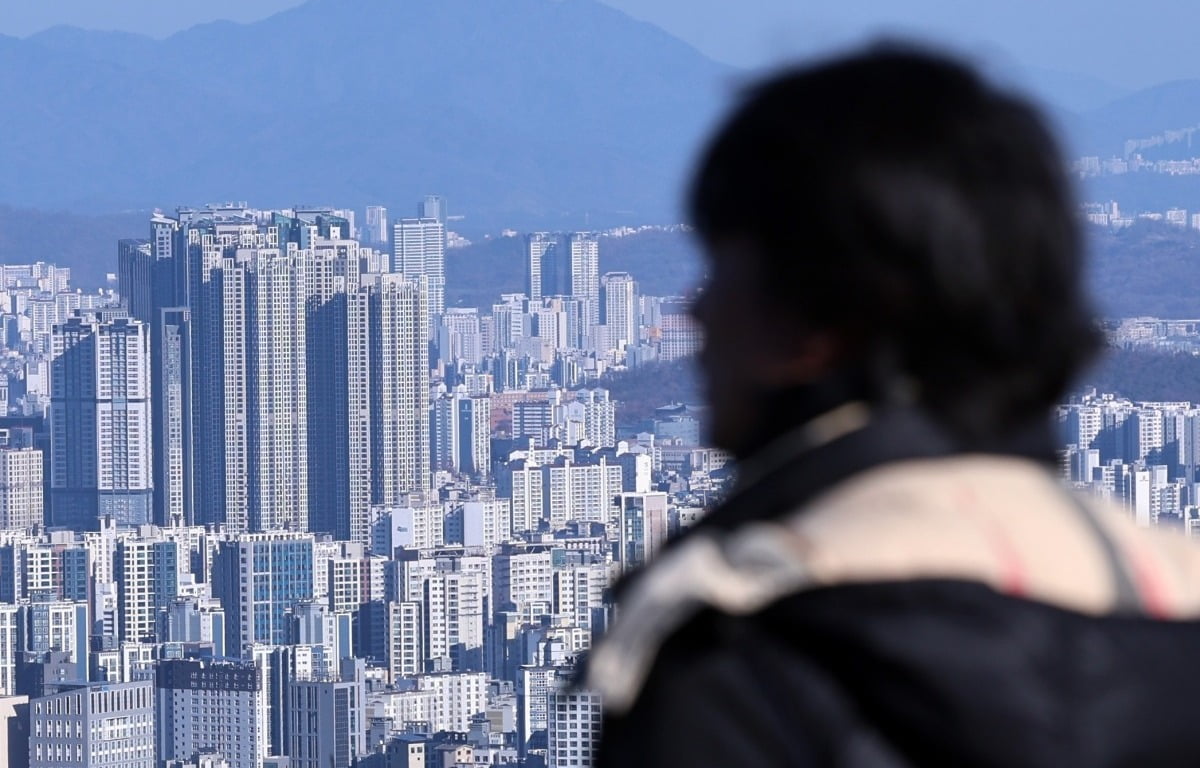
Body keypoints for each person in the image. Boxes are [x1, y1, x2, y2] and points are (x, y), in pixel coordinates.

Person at [585, 46, 1200, 767]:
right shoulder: (1173, 598)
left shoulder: (750, 656)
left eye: (722, 269)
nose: (697, 312)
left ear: (819, 318)